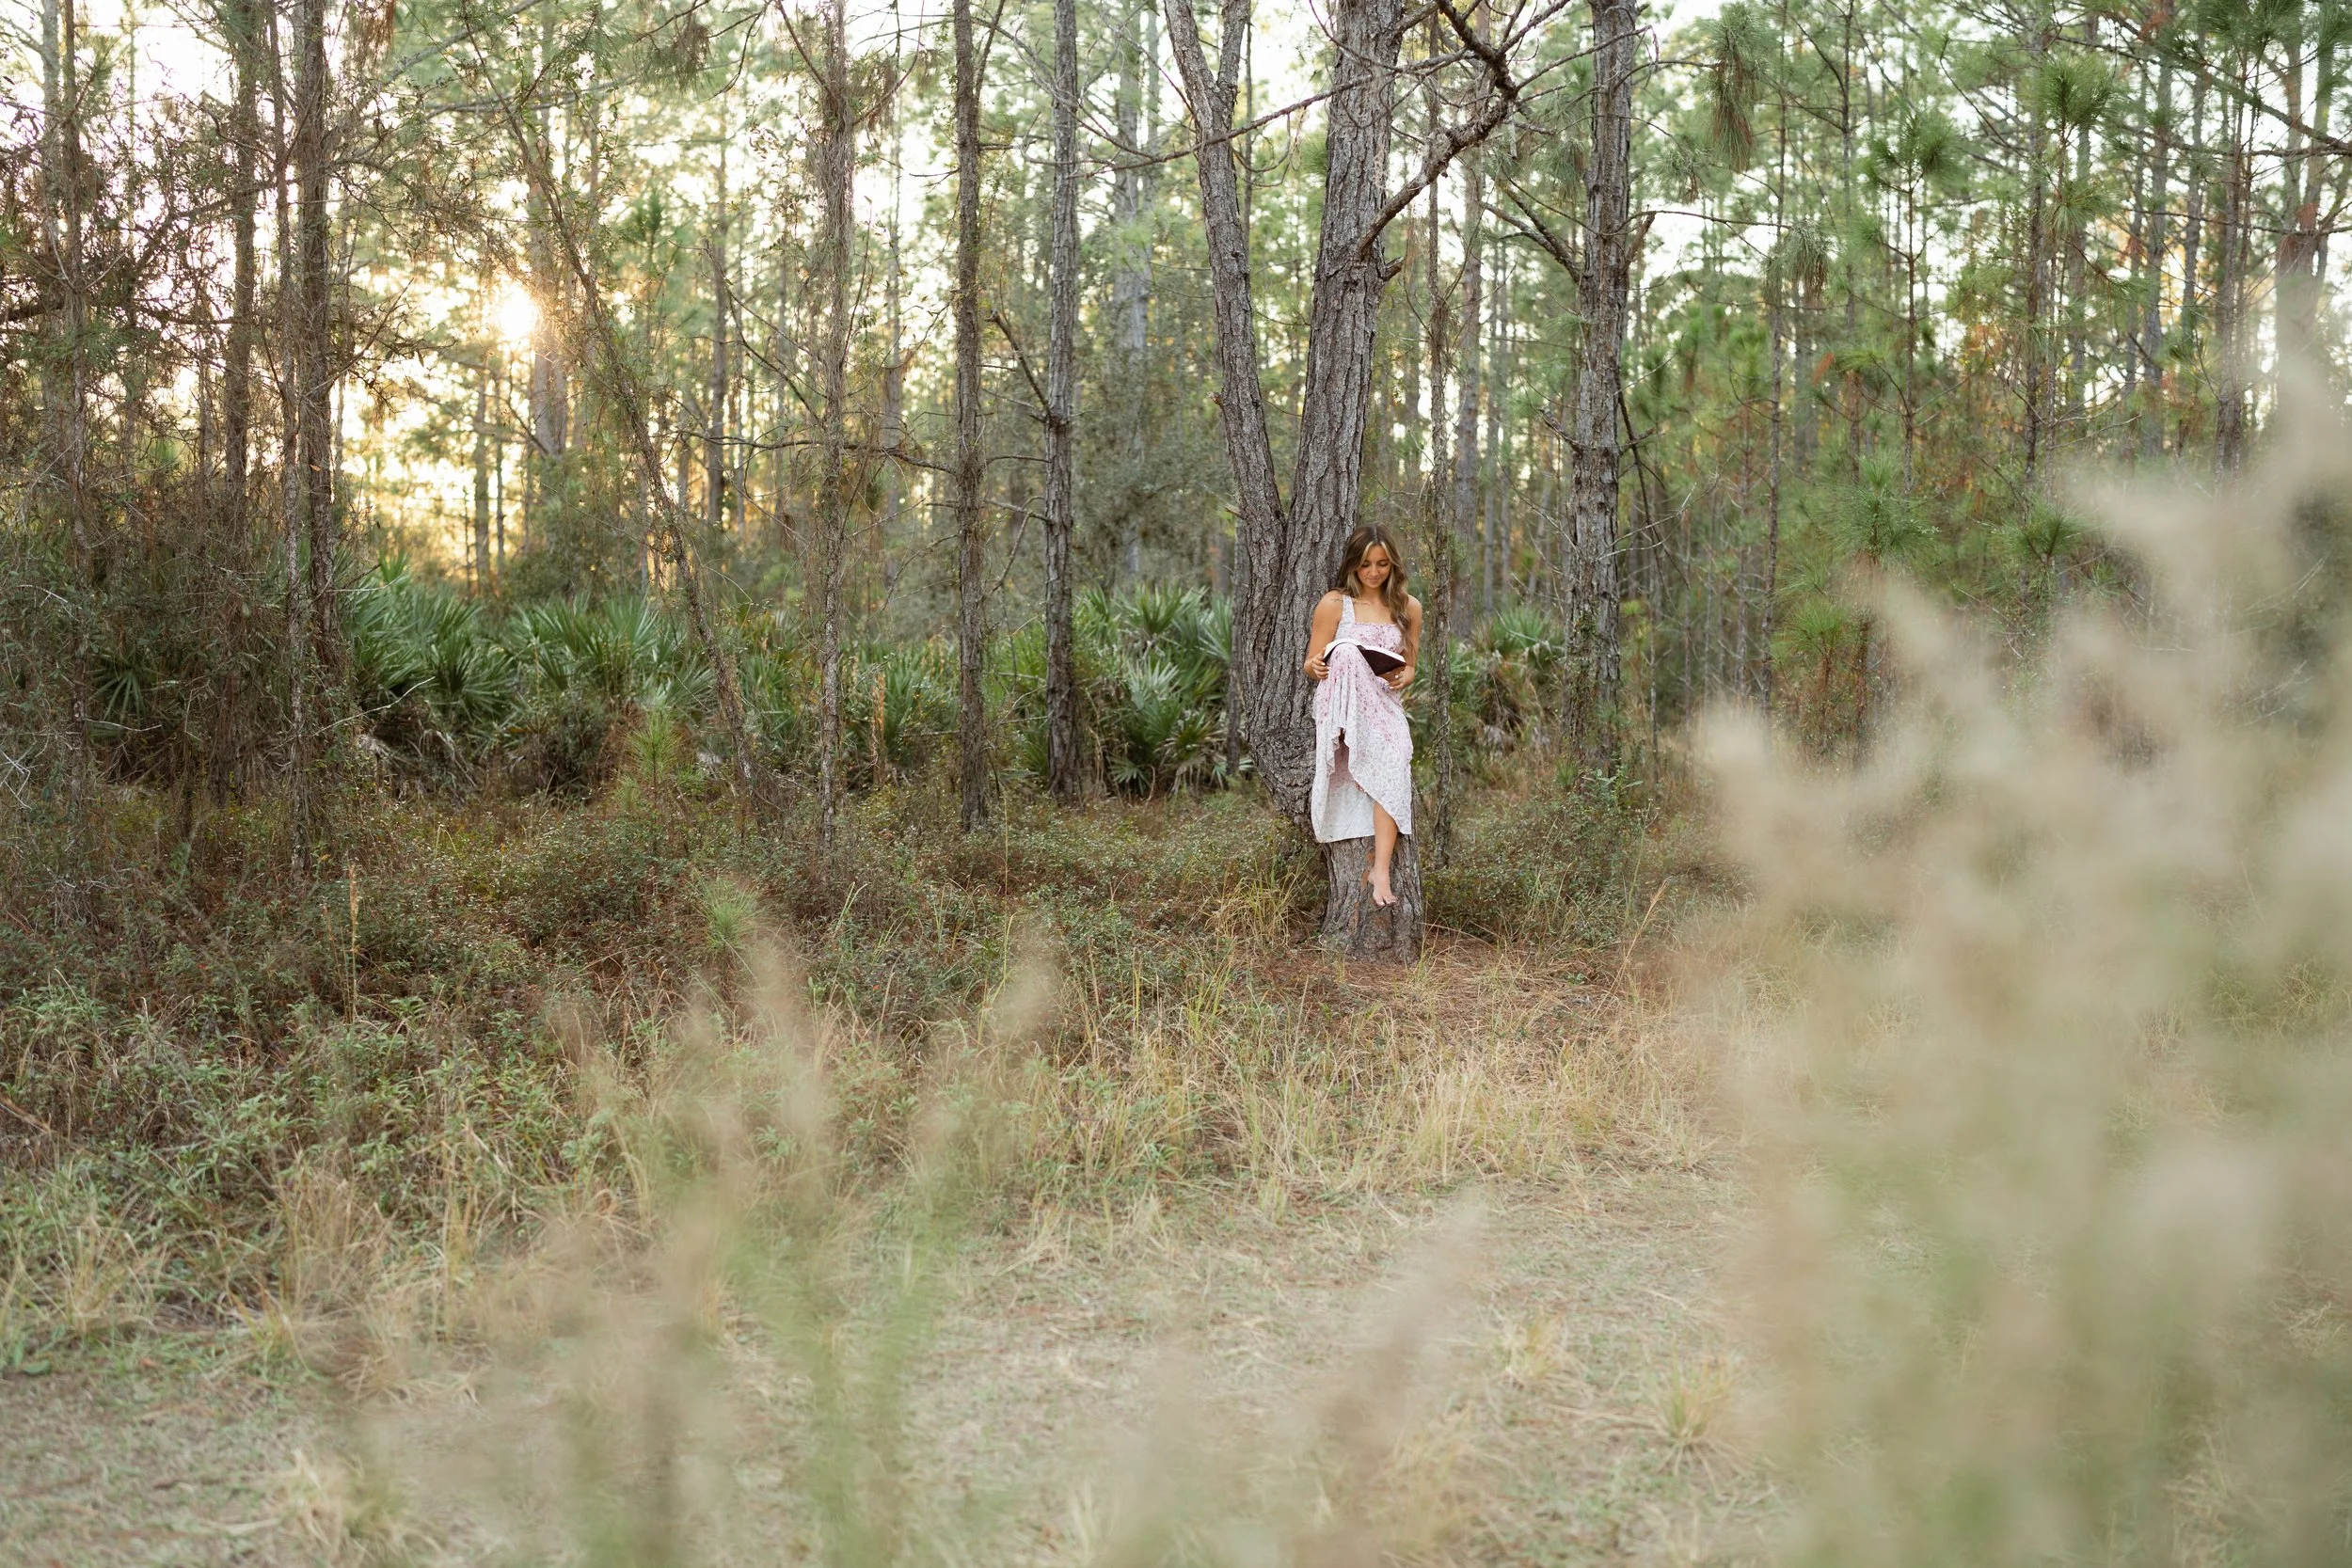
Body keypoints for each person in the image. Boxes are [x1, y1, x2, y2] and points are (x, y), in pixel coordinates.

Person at [1305, 526, 1421, 907]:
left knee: (1394, 761)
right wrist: (1316, 667)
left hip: (1383, 702)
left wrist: (1404, 675)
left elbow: (1411, 666)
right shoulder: (1336, 604)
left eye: (1383, 564)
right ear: (1354, 564)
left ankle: (1381, 869)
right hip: (1343, 702)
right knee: (1349, 653)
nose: (1374, 572)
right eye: (1366, 564)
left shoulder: (1408, 607)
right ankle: (1352, 736)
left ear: (1393, 565)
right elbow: (1312, 660)